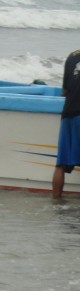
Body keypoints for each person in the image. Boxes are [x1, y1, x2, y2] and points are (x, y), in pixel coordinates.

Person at [52, 48, 80, 198]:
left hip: (68, 114)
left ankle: (56, 202)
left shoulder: (72, 56)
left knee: (60, 165)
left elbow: (65, 91)